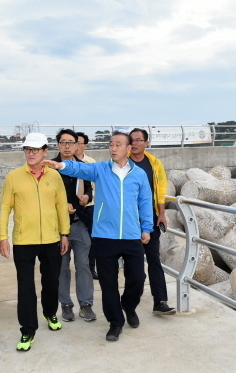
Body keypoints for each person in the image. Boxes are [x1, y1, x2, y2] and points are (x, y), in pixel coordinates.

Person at [42, 131, 153, 342]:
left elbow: (145, 202)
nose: (113, 148)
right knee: (108, 283)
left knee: (138, 279)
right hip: (104, 236)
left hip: (131, 236)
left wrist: (146, 228)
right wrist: (60, 165)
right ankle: (115, 322)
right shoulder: (100, 169)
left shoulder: (138, 175)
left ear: (128, 148)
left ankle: (129, 306)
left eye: (118, 144)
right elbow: (80, 167)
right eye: (111, 144)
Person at [0, 132, 70, 352]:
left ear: (45, 152)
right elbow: (5, 208)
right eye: (28, 149)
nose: (31, 153)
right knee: (25, 287)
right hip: (23, 241)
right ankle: (28, 330)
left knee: (51, 281)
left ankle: (49, 312)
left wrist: (64, 233)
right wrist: (3, 237)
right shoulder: (14, 177)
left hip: (50, 239)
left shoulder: (54, 176)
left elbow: (61, 205)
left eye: (35, 150)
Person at [129, 128, 176, 316]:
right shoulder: (122, 162)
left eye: (139, 140)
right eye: (132, 140)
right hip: (129, 222)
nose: (135, 143)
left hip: (151, 219)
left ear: (146, 143)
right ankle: (131, 302)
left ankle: (160, 301)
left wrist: (162, 213)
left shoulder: (154, 163)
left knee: (154, 260)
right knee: (135, 264)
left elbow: (161, 189)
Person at [52, 129, 96, 322]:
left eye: (72, 142)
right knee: (61, 267)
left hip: (79, 223)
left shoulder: (83, 167)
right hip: (56, 226)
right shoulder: (50, 167)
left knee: (83, 265)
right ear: (58, 145)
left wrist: (87, 196)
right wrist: (62, 207)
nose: (68, 146)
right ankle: (66, 304)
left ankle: (86, 304)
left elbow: (87, 188)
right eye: (64, 142)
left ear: (78, 145)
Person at [75, 131, 98, 280]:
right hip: (70, 208)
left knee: (91, 240)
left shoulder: (91, 163)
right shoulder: (64, 162)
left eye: (79, 143)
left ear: (85, 145)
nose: (76, 146)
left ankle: (91, 268)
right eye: (73, 142)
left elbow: (95, 185)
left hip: (89, 206)